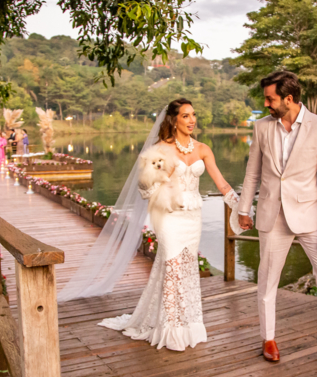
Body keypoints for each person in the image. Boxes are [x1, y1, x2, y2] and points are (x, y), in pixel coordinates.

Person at [237, 71, 317, 368]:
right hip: (271, 214)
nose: (265, 103)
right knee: (267, 279)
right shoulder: (262, 128)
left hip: (311, 216)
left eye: (270, 98)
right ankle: (269, 338)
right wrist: (243, 208)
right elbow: (253, 172)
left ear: (288, 99)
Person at [97, 98, 237, 351]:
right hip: (170, 216)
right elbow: (145, 188)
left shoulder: (204, 149)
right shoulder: (159, 150)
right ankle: (170, 330)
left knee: (186, 267)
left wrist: (240, 206)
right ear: (173, 120)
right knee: (172, 265)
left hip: (193, 217)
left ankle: (188, 324)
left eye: (193, 115)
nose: (192, 120)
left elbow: (221, 182)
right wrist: (166, 174)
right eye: (185, 116)